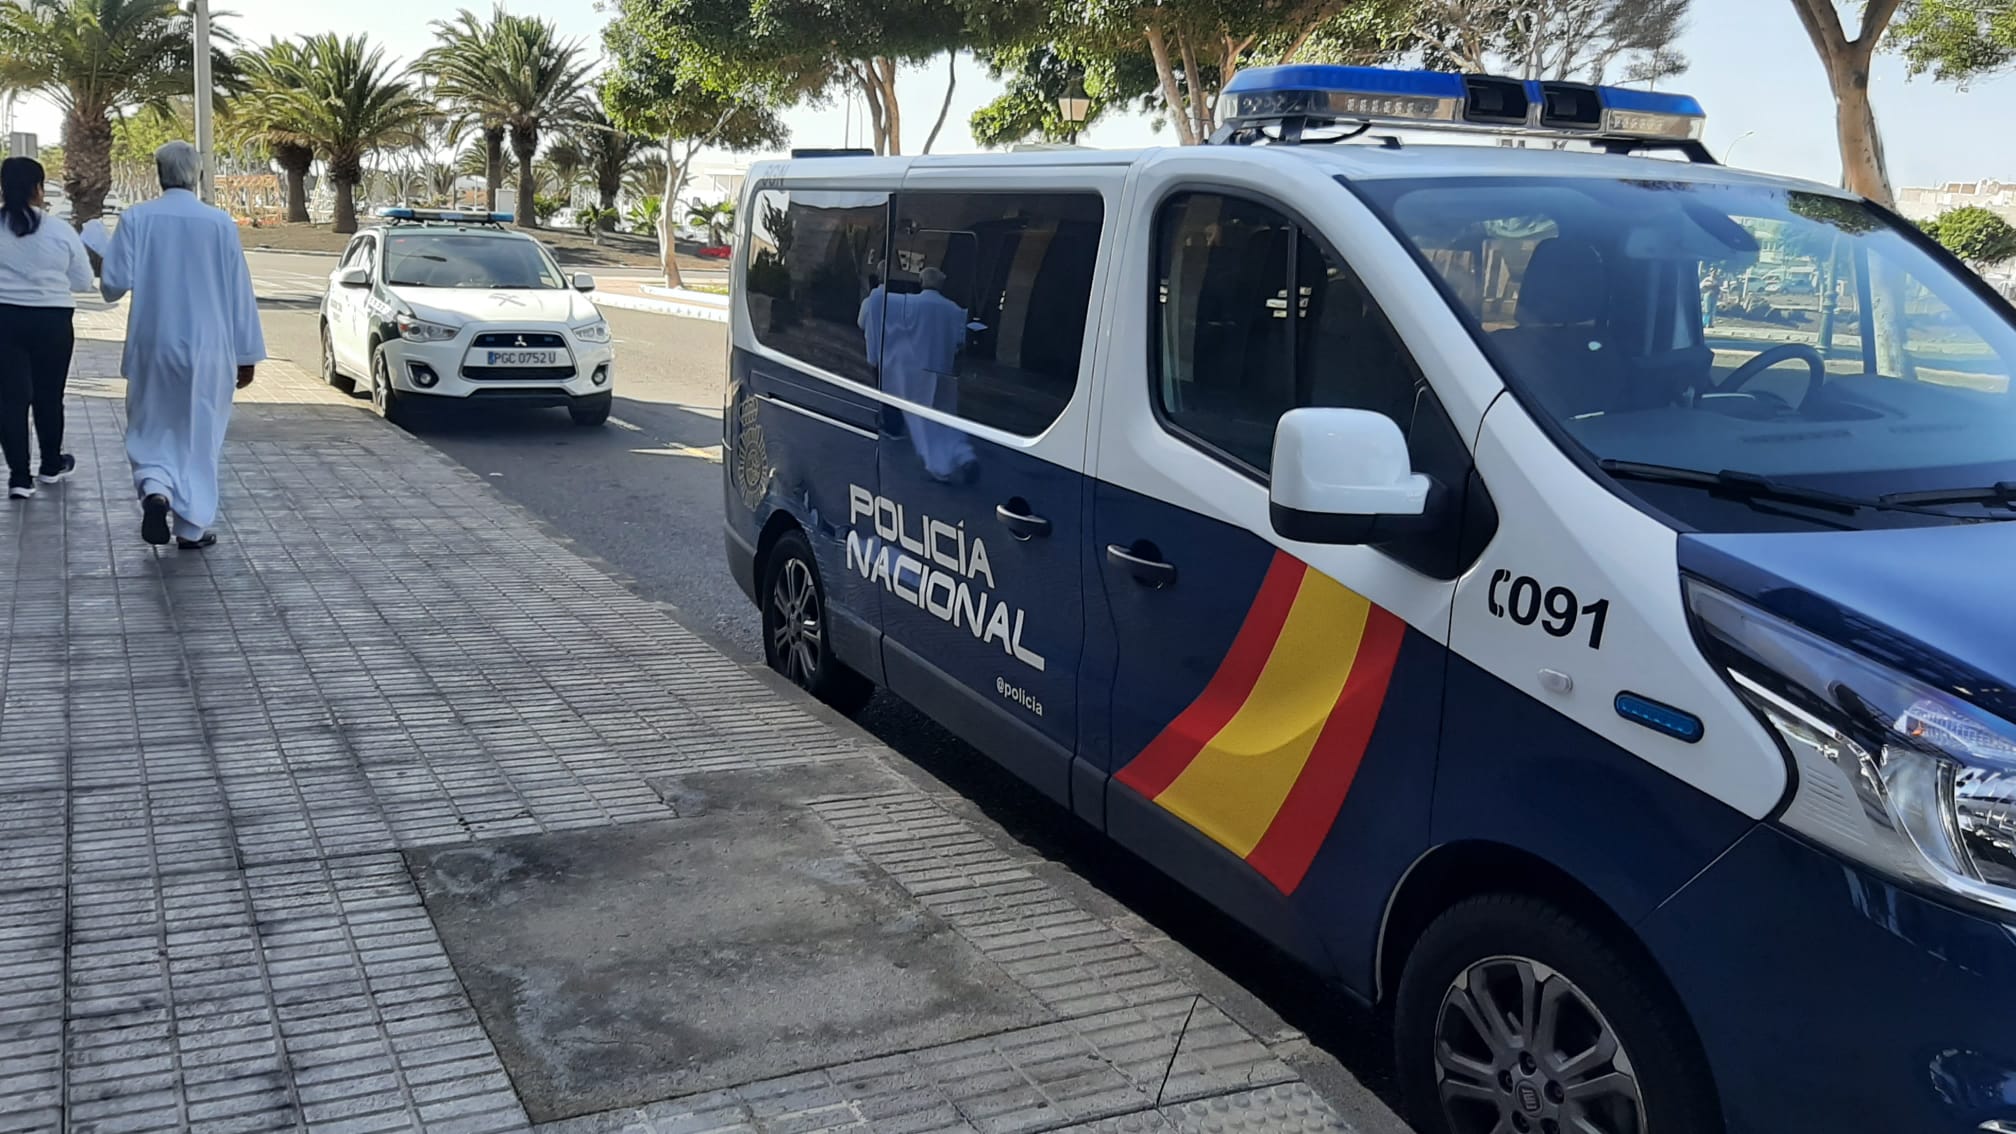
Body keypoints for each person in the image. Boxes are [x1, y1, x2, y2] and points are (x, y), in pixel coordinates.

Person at [88, 141, 265, 549]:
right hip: (209, 348)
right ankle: (191, 527)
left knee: (152, 428)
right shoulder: (220, 223)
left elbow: (113, 284)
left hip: (154, 345)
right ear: (198, 174)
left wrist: (102, 242)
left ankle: (156, 490)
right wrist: (247, 355)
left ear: (158, 172)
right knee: (199, 435)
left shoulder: (137, 218)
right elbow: (239, 292)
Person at [0, 156, 94, 500]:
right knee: (49, 395)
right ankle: (51, 464)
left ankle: (19, 478)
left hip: (4, 318)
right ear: (38, 189)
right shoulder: (59, 231)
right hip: (52, 319)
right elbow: (83, 282)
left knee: (10, 399)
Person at [859, 267, 978, 481]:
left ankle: (940, 467)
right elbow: (962, 340)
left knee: (923, 421)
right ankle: (963, 455)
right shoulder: (954, 310)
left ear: (922, 281)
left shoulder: (910, 304)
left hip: (917, 372)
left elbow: (879, 304)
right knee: (947, 416)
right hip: (944, 372)